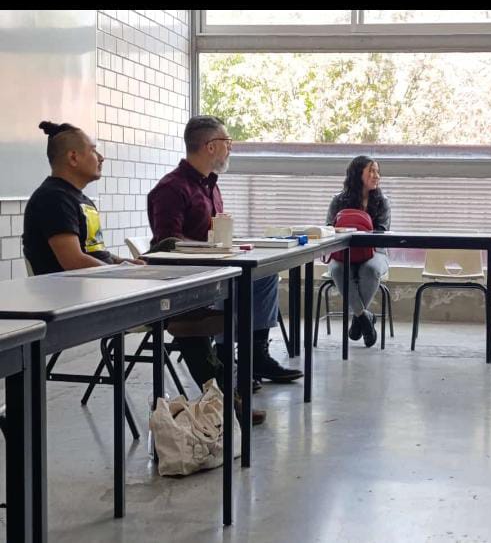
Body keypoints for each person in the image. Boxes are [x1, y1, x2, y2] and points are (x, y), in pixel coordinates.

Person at [147, 115, 303, 393]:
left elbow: (213, 233)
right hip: (189, 277)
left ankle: (255, 355)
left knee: (264, 276)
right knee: (237, 288)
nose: (230, 148)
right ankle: (225, 360)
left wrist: (228, 244)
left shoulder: (211, 184)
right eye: (227, 142)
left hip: (216, 266)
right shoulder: (171, 188)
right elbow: (167, 244)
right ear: (210, 146)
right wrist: (212, 248)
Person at [23, 121, 145, 274]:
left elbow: (95, 253)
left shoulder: (79, 199)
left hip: (96, 283)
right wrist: (121, 273)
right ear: (73, 158)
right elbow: (74, 261)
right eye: (93, 150)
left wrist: (122, 263)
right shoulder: (53, 199)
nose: (101, 157)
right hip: (72, 289)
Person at [326, 156, 391, 347]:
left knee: (370, 270)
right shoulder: (338, 200)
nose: (376, 176)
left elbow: (381, 233)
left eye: (377, 171)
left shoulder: (382, 202)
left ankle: (357, 318)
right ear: (357, 174)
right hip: (343, 253)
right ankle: (363, 316)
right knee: (337, 270)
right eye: (371, 171)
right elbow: (329, 229)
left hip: (375, 252)